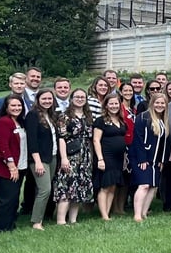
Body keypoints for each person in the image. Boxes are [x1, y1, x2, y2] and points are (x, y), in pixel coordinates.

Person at [53, 89, 93, 224]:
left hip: (85, 156)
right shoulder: (65, 116)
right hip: (71, 155)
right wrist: (64, 158)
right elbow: (61, 138)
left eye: (82, 97)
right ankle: (61, 220)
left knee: (79, 187)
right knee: (66, 186)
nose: (80, 99)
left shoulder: (88, 116)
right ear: (71, 99)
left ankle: (73, 219)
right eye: (77, 97)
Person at [0, 95, 26, 233]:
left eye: (19, 105)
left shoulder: (19, 121)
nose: (17, 108)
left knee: (13, 197)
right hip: (5, 168)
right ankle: (0, 228)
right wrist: (12, 167)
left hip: (20, 165)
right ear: (6, 107)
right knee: (6, 198)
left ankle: (10, 224)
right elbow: (2, 145)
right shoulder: (3, 122)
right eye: (13, 105)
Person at [130, 92, 168, 222]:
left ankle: (144, 213)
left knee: (153, 186)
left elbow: (163, 143)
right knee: (144, 185)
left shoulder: (162, 119)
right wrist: (142, 159)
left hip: (155, 159)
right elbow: (138, 139)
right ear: (152, 103)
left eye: (162, 103)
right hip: (142, 158)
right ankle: (137, 215)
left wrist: (162, 160)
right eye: (157, 102)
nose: (160, 105)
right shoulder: (143, 117)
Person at [24, 89, 58, 230]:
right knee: (45, 189)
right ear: (38, 100)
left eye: (50, 99)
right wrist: (37, 162)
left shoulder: (50, 115)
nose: (47, 101)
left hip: (52, 156)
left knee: (45, 189)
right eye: (44, 98)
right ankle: (36, 222)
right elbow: (32, 140)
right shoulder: (33, 115)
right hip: (39, 158)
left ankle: (41, 217)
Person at [93, 94, 128, 220]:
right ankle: (104, 215)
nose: (114, 106)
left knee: (113, 186)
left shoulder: (121, 121)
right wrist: (100, 159)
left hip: (119, 158)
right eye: (111, 104)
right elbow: (96, 140)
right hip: (106, 157)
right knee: (105, 186)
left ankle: (107, 213)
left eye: (116, 103)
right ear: (106, 105)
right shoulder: (101, 121)